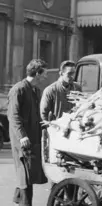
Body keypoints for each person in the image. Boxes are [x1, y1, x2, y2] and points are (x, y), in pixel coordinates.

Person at [7, 59, 48, 206]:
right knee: (25, 175)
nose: (45, 77)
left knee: (27, 174)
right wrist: (22, 136)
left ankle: (20, 201)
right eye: (44, 74)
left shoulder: (35, 90)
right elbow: (13, 116)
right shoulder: (18, 89)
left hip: (32, 138)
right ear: (37, 73)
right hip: (22, 140)